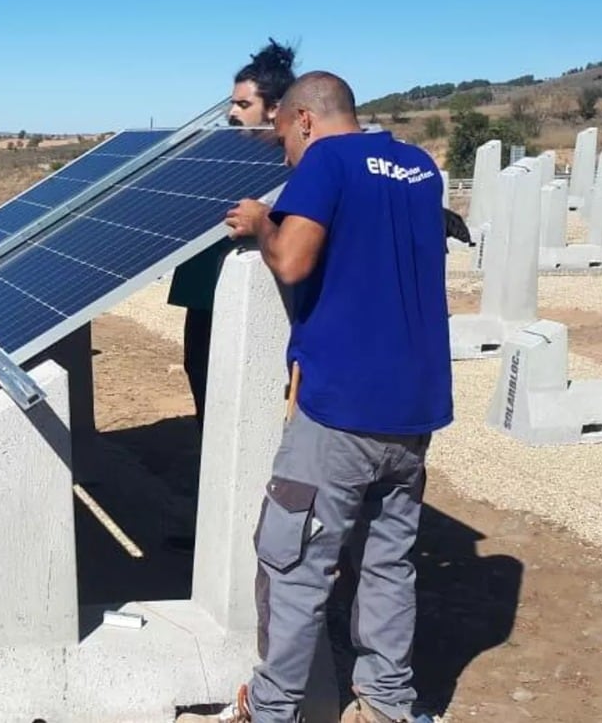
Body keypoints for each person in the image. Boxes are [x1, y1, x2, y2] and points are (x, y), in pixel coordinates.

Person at [216, 72, 452, 723]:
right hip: (415, 406)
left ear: (306, 120)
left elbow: (292, 262)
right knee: (387, 561)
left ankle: (273, 711)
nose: (286, 153)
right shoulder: (417, 166)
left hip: (342, 404)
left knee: (293, 563)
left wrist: (264, 223)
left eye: (285, 137)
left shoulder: (325, 160)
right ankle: (385, 705)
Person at [168, 39, 297, 425]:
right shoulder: (215, 159)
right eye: (232, 103)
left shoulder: (293, 164)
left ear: (274, 109)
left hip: (256, 298)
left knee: (247, 388)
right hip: (205, 294)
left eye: (243, 105)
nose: (231, 113)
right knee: (200, 370)